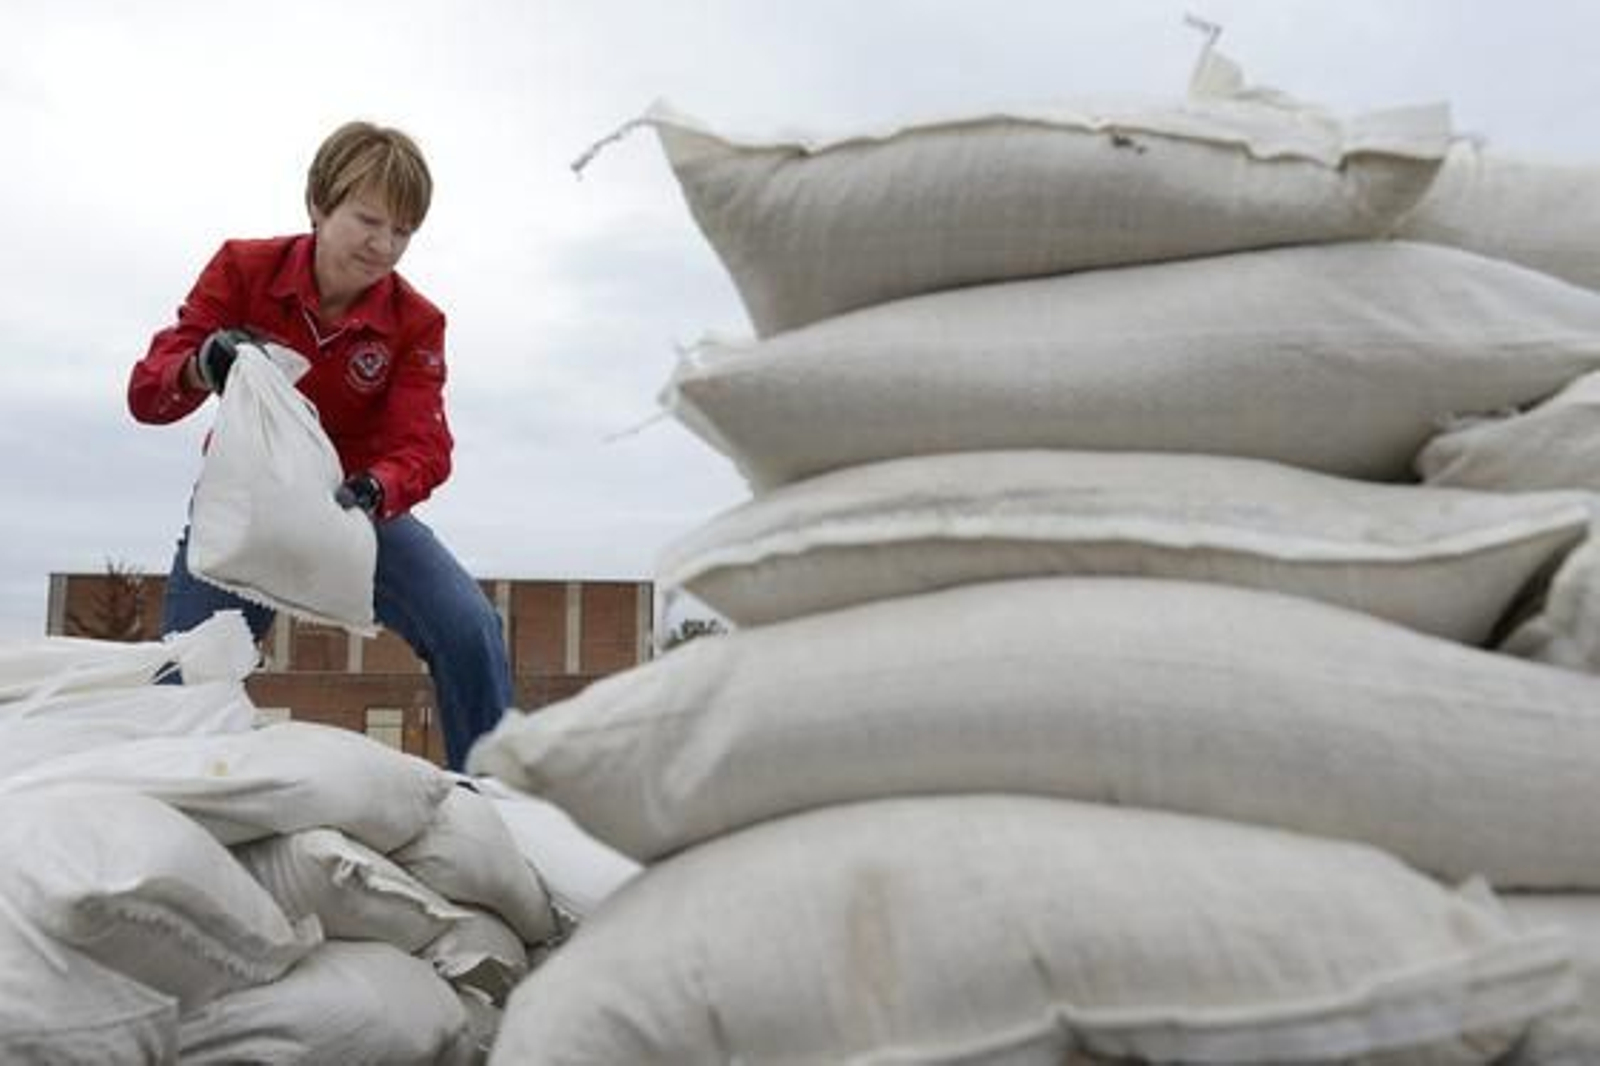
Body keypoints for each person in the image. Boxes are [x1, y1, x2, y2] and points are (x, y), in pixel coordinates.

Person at [128, 120, 512, 770]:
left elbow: (425, 444)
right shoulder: (242, 270)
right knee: (184, 677)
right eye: (368, 220)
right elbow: (147, 394)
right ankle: (176, 799)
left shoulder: (417, 323)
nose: (384, 245)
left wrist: (375, 488)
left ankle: (499, 796)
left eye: (403, 231)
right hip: (249, 511)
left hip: (351, 511)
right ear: (318, 203)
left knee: (470, 627)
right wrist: (201, 364)